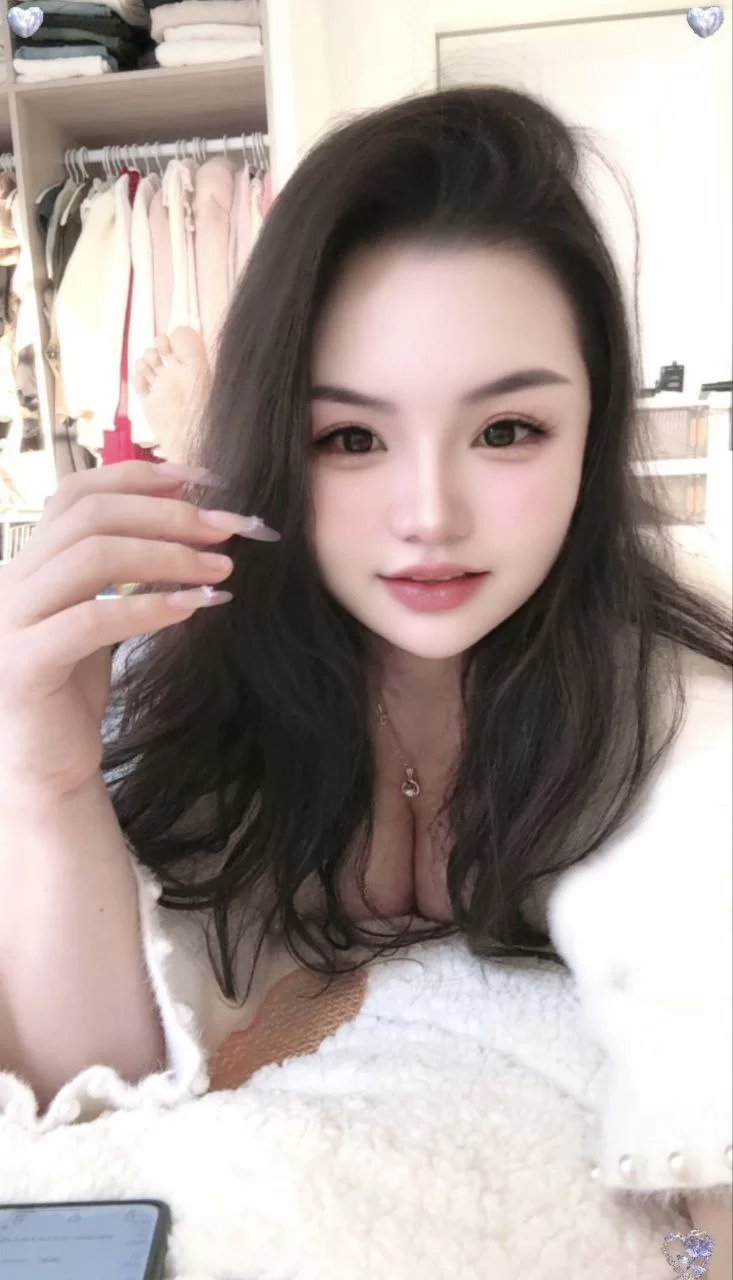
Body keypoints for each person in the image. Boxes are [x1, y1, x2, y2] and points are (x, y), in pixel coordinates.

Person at [0, 86, 731, 1270]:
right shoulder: (183, 672)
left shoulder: (667, 710)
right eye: (350, 437)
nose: (428, 514)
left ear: (594, 427)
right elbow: (85, 1101)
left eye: (506, 430)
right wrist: (44, 775)